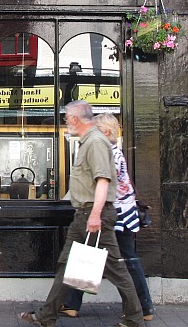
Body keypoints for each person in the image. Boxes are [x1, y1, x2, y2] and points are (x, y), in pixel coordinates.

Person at [18, 100, 145, 327]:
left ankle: (135, 318)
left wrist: (95, 216)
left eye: (67, 117)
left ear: (76, 118)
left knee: (116, 269)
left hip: (94, 215)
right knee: (67, 264)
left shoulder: (95, 142)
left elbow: (103, 181)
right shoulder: (88, 141)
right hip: (84, 215)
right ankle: (47, 316)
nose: (66, 121)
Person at [60, 113, 155, 321]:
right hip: (120, 213)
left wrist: (93, 211)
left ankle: (142, 308)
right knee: (104, 257)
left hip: (113, 214)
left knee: (117, 261)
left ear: (105, 132)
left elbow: (101, 184)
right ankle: (143, 308)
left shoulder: (108, 153)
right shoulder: (113, 151)